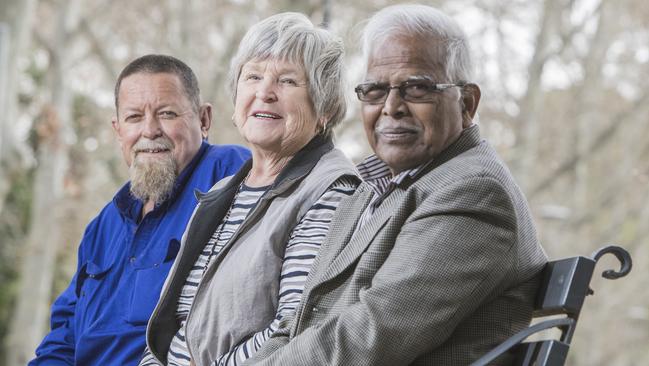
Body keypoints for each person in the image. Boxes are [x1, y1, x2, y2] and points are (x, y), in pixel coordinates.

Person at [245, 5, 548, 366]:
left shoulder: (474, 192)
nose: (391, 107)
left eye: (417, 88)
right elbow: (297, 324)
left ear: (467, 103)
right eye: (374, 90)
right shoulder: (372, 188)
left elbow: (370, 334)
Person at [140, 13, 359, 366]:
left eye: (287, 81)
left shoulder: (331, 191)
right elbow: (169, 330)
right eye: (253, 76)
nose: (264, 93)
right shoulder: (224, 192)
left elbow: (298, 329)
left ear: (325, 109)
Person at [30, 55, 250, 366]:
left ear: (203, 120)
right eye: (134, 117)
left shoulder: (230, 173)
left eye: (167, 113)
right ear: (118, 130)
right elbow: (65, 334)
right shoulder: (103, 226)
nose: (149, 130)